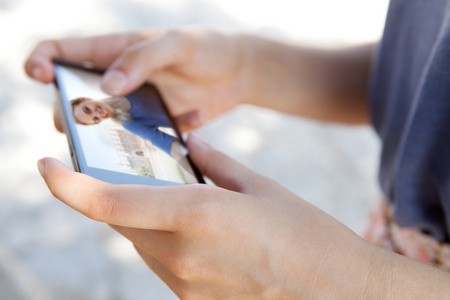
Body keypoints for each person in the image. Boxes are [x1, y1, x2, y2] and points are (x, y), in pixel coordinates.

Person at [25, 1, 450, 298]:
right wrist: (245, 68)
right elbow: (424, 76)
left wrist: (339, 283)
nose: (95, 110)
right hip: (388, 246)